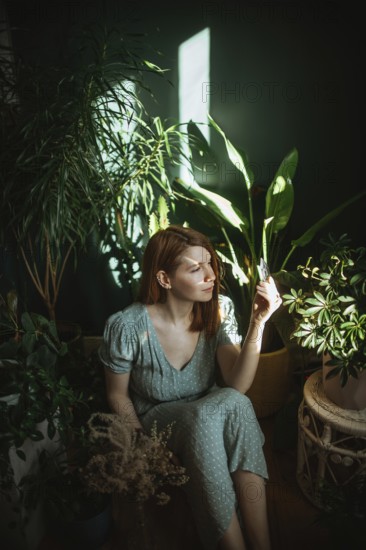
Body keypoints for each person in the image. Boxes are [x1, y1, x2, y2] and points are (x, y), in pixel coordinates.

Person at [99, 225, 282, 550]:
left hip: (210, 411)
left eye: (210, 263)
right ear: (164, 279)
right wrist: (143, 445)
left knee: (237, 404)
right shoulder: (127, 326)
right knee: (207, 417)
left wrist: (258, 322)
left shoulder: (218, 309)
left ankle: (262, 544)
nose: (210, 274)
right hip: (158, 419)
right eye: (195, 268)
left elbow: (237, 384)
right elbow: (117, 394)